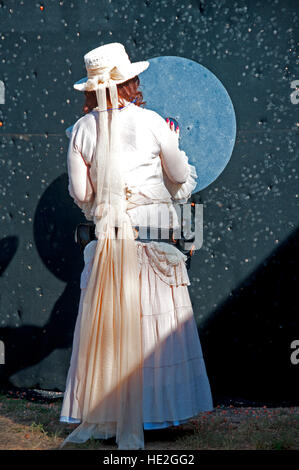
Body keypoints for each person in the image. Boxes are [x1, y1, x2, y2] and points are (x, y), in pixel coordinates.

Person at [59, 42, 213, 450]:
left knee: (109, 331)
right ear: (131, 80)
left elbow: (79, 191)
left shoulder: (80, 131)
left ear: (91, 89)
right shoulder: (151, 122)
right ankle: (152, 413)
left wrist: (101, 204)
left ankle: (109, 411)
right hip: (151, 245)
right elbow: (179, 175)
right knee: (153, 328)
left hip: (109, 248)